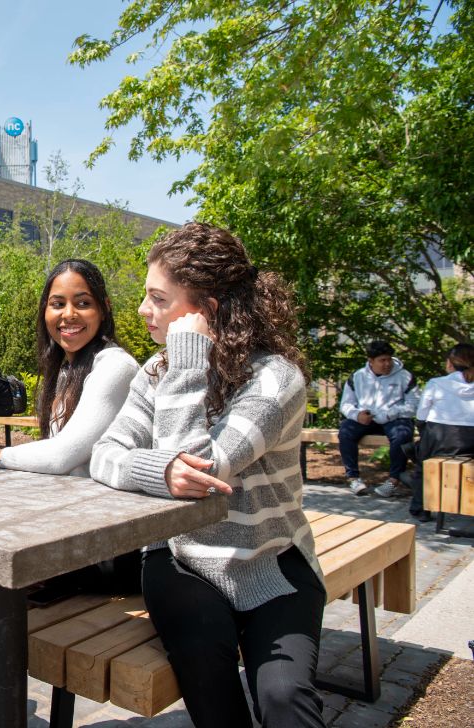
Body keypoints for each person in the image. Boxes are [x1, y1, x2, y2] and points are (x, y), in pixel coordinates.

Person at [90, 222, 326, 728]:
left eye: (157, 298)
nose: (141, 310)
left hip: (272, 561)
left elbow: (204, 472)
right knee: (209, 683)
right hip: (181, 561)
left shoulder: (275, 379)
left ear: (207, 310)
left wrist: (188, 363)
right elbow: (105, 454)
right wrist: (160, 470)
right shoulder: (156, 372)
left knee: (284, 699)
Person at [0, 259, 138, 475]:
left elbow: (60, 456)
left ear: (104, 309)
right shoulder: (65, 372)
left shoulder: (115, 366)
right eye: (58, 304)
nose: (69, 314)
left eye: (83, 303)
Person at [338, 340, 418, 497]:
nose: (387, 364)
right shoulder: (357, 376)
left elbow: (414, 405)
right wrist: (357, 415)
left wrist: (390, 414)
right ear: (371, 361)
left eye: (389, 359)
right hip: (367, 418)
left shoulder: (405, 376)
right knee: (345, 431)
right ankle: (354, 479)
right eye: (382, 360)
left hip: (395, 418)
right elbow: (346, 404)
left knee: (402, 435)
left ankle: (393, 482)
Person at [406, 343, 474, 522]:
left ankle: (421, 508)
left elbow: (421, 414)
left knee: (423, 464)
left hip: (440, 436)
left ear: (450, 364)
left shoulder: (436, 383)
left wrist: (423, 430)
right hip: (471, 442)